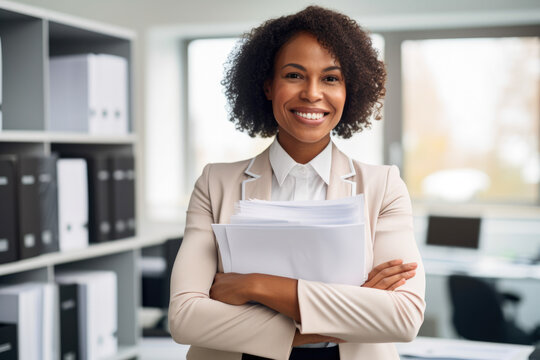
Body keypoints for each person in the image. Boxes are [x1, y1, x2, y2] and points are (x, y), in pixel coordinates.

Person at [169, 6, 425, 360]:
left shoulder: (383, 186)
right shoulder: (216, 183)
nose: (312, 93)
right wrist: (350, 305)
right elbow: (185, 319)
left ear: (350, 90)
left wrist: (253, 285)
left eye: (331, 78)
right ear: (268, 85)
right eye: (294, 75)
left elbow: (403, 317)